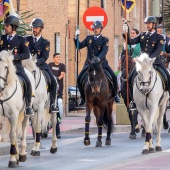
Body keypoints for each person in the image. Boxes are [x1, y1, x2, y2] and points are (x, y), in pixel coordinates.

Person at [123, 16, 170, 110]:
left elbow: (158, 50)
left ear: (154, 25)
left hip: (155, 62)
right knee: (131, 78)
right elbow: (130, 41)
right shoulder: (142, 35)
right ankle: (133, 101)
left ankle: (167, 97)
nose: (147, 25)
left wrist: (149, 59)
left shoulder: (159, 37)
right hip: (143, 64)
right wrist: (125, 32)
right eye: (146, 24)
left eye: (149, 23)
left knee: (167, 76)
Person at [74, 20, 120, 104]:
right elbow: (79, 46)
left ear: (101, 29)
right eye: (94, 28)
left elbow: (104, 51)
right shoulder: (89, 39)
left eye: (97, 28)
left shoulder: (105, 40)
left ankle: (116, 95)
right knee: (79, 78)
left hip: (101, 64)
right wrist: (76, 37)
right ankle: (82, 97)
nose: (95, 30)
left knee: (113, 76)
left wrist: (98, 59)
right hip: (90, 65)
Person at [0, 15, 34, 116]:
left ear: (13, 27)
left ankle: (28, 106)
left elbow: (26, 54)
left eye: (7, 26)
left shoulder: (21, 40)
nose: (5, 27)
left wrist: (13, 57)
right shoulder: (1, 39)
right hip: (2, 67)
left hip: (16, 67)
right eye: (5, 26)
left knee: (27, 82)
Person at [25, 18, 58, 114]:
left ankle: (52, 104)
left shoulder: (45, 42)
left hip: (41, 65)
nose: (34, 29)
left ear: (41, 29)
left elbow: (45, 56)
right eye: (33, 27)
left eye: (36, 28)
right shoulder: (26, 39)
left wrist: (36, 63)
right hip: (27, 65)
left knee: (53, 81)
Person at [49, 53, 66, 139]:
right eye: (57, 57)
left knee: (57, 107)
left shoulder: (62, 66)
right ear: (53, 58)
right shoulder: (50, 65)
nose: (58, 58)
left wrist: (55, 79)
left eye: (59, 57)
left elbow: (62, 75)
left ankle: (57, 131)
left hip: (58, 90)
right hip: (50, 89)